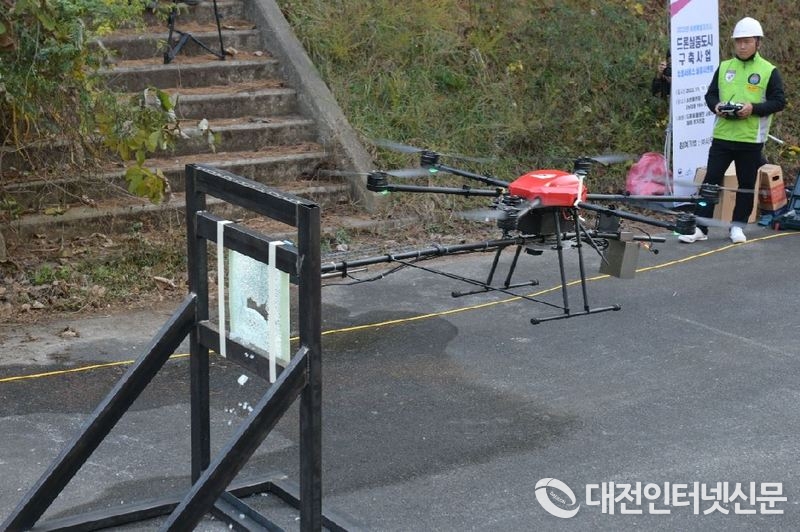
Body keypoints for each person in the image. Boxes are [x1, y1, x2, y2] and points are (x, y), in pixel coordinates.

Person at [679, 17, 786, 244]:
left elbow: (779, 102)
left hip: (750, 139)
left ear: (757, 42)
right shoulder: (725, 66)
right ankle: (700, 228)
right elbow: (710, 95)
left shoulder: (769, 70)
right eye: (738, 41)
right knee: (710, 183)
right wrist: (716, 106)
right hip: (722, 136)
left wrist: (753, 109)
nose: (742, 46)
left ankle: (737, 227)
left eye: (747, 41)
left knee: (746, 186)